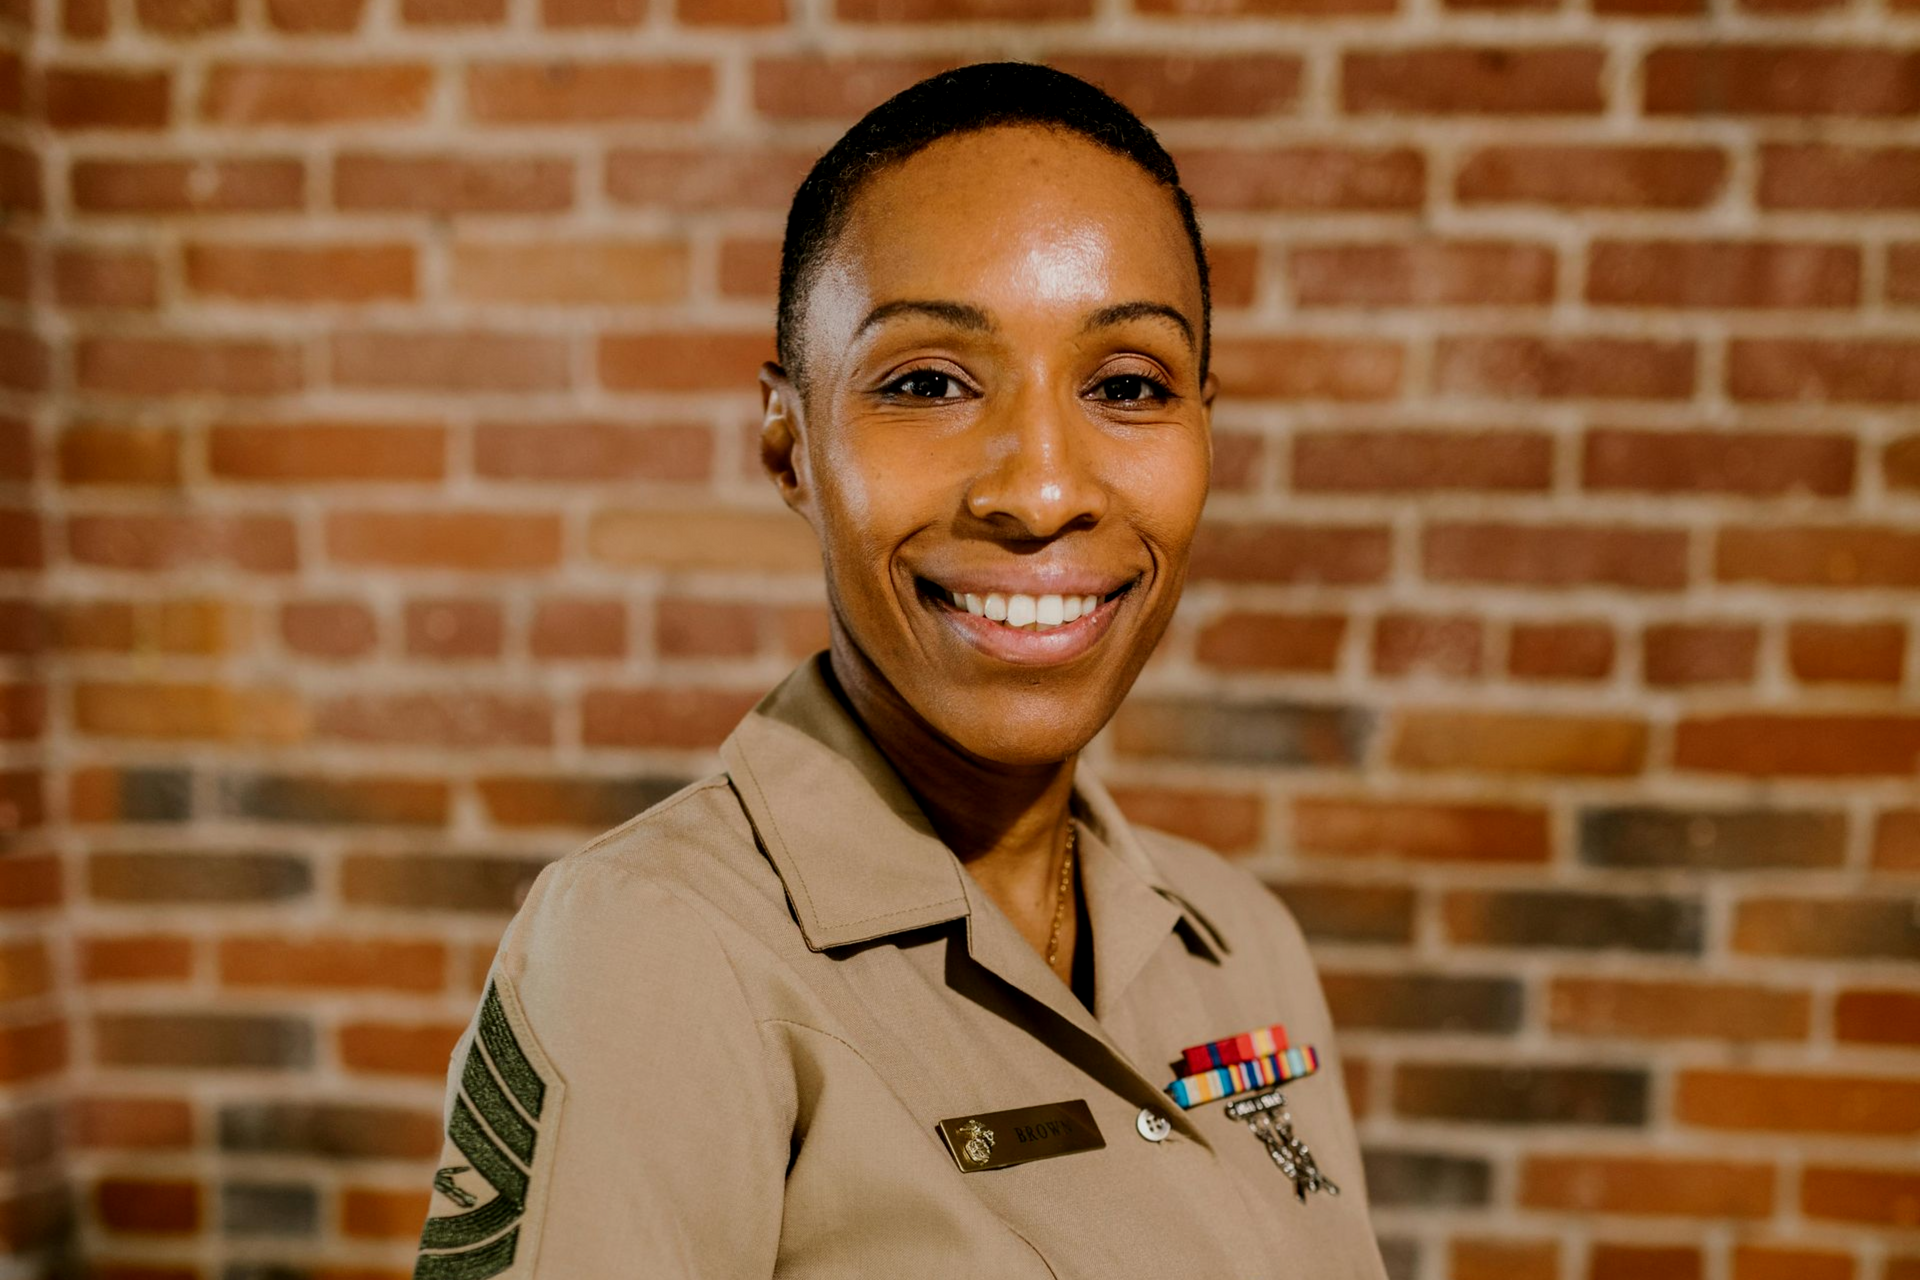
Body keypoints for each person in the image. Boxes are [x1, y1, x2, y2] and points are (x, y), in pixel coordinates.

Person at [411, 62, 1389, 1280]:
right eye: (927, 383)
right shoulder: (654, 951)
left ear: (1204, 425)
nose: (1042, 490)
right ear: (790, 442)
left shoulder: (1239, 941)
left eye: (1128, 386)